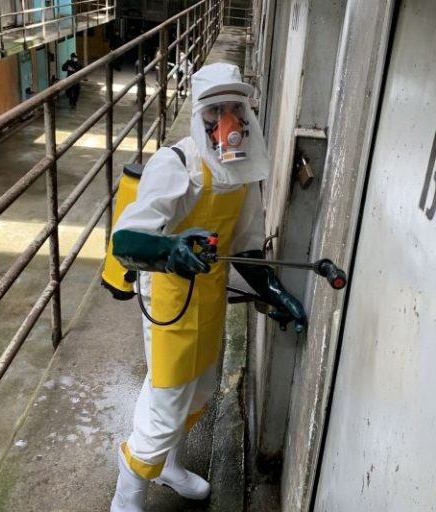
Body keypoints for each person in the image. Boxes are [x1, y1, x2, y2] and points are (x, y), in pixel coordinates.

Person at [108, 63, 306, 512]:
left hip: (210, 292)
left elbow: (249, 247)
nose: (229, 121)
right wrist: (170, 249)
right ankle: (128, 493)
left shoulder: (241, 173)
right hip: (170, 294)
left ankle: (168, 465)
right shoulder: (176, 164)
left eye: (236, 108)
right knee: (168, 394)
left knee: (200, 389)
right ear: (202, 116)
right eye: (217, 110)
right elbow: (124, 240)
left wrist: (274, 293)